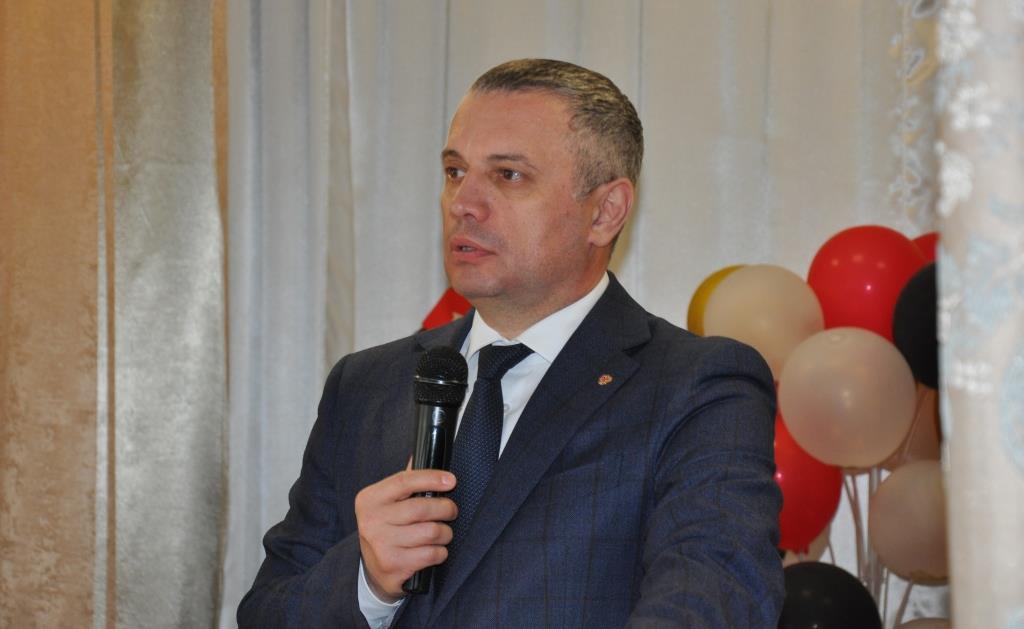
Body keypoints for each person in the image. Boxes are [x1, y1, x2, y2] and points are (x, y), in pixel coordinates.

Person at [238, 58, 784, 628]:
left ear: (605, 212)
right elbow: (266, 614)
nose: (463, 203)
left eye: (508, 175)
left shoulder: (696, 387)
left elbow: (712, 602)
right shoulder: (366, 386)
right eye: (454, 171)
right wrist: (366, 581)